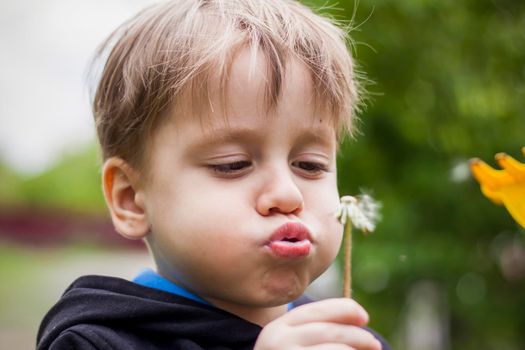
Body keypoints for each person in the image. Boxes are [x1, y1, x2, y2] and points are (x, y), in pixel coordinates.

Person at [37, 0, 390, 349]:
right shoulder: (96, 342)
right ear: (131, 199)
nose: (287, 194)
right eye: (232, 164)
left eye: (310, 165)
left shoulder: (350, 339)